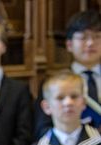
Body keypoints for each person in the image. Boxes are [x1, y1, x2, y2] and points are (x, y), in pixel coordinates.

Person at [35, 10, 101, 138]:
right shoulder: (54, 84)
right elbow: (42, 129)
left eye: (97, 36)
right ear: (69, 44)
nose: (90, 43)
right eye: (83, 37)